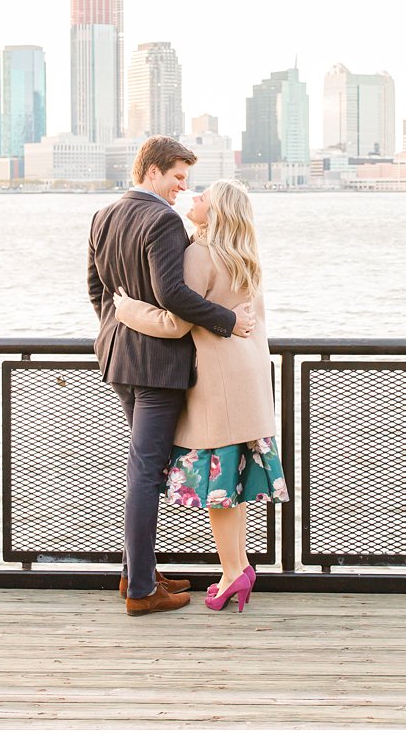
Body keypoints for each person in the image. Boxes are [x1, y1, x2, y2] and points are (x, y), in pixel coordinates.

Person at [87, 136, 257, 617]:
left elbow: (96, 289)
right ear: (152, 171)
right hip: (158, 366)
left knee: (143, 468)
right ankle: (142, 589)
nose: (182, 188)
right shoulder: (162, 220)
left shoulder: (104, 215)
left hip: (118, 358)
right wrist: (229, 322)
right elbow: (173, 295)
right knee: (145, 472)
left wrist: (114, 331)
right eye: (178, 177)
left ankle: (134, 572)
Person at [112, 179, 287, 613]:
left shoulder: (201, 254)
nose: (194, 199)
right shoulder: (246, 257)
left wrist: (129, 310)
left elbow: (175, 321)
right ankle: (239, 566)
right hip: (247, 378)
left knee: (219, 488)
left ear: (218, 212)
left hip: (217, 384)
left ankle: (232, 572)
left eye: (204, 197)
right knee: (235, 485)